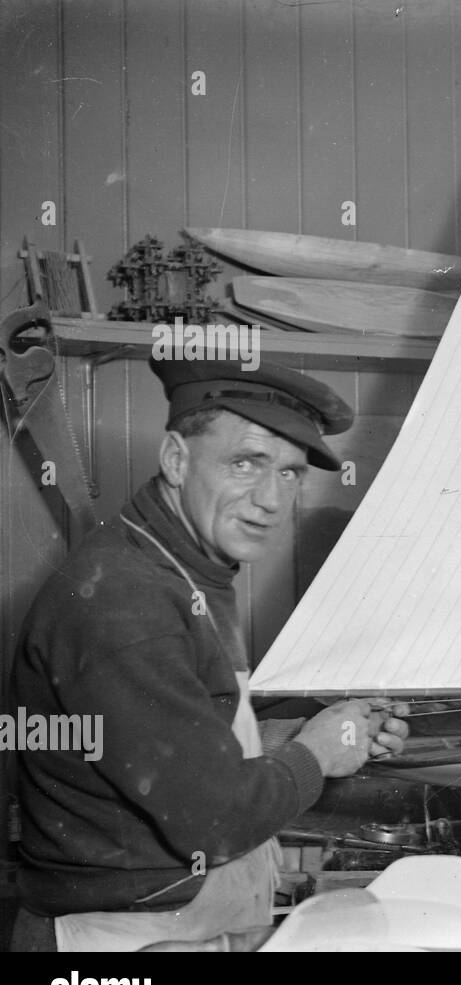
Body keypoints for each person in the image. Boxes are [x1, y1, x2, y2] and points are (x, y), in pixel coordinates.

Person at [7, 357, 409, 951]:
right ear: (176, 458)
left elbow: (167, 743)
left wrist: (293, 736)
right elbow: (213, 821)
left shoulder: (187, 566)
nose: (272, 500)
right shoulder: (125, 600)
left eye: (291, 474)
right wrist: (317, 753)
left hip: (175, 922)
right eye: (245, 463)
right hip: (119, 941)